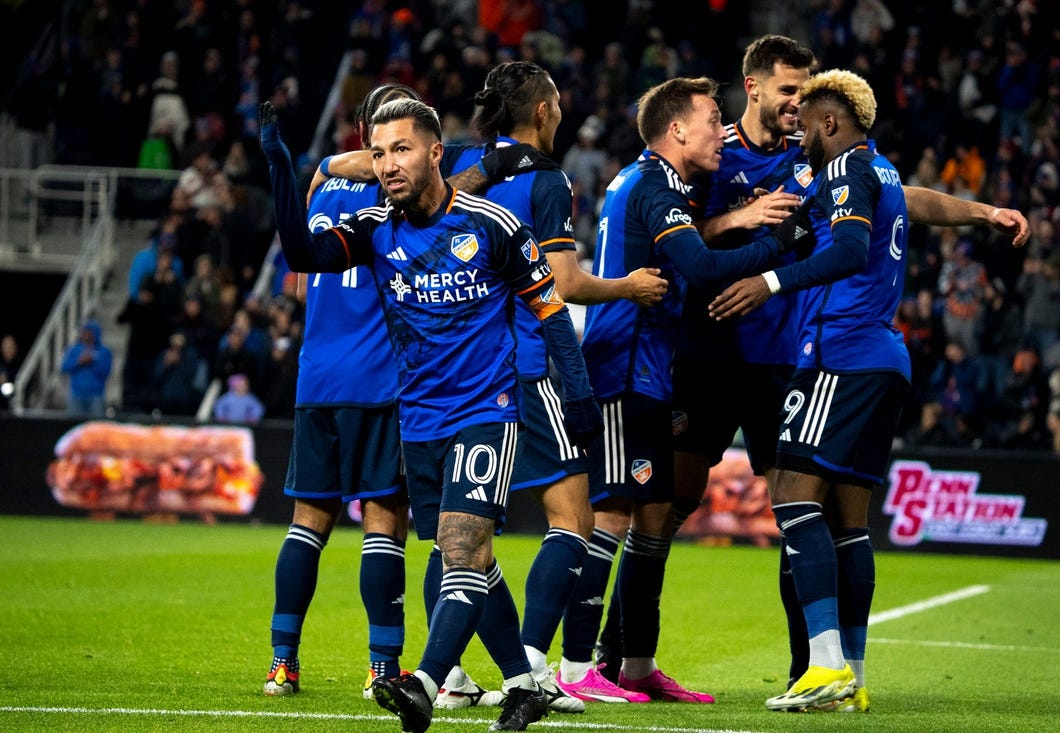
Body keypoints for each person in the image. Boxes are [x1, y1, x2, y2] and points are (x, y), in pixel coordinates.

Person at [260, 97, 603, 733]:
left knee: (459, 545)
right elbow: (304, 257)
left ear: (435, 152)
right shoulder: (373, 227)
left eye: (403, 150)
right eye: (381, 152)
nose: (389, 164)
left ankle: (422, 680)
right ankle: (527, 685)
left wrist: (578, 398)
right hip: (416, 417)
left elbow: (550, 310)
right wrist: (283, 172)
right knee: (474, 561)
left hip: (487, 410)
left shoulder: (493, 224)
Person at [707, 67, 1028, 713]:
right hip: (883, 357)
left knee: (794, 497)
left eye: (806, 121)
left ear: (831, 121)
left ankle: (823, 664)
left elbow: (851, 252)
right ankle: (851, 672)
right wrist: (984, 211)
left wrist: (770, 284)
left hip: (839, 354)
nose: (797, 130)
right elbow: (918, 200)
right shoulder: (875, 171)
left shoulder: (844, 171)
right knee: (848, 522)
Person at [434, 60, 668, 711]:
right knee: (573, 517)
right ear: (542, 111)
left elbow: (376, 171)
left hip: (454, 361)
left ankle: (449, 672)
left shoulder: (461, 164)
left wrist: (326, 169)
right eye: (557, 101)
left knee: (460, 524)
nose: (562, 111)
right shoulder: (545, 180)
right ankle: (532, 665)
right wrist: (629, 285)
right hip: (524, 361)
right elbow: (562, 283)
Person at [560, 76, 800, 706]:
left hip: (648, 369)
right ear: (676, 130)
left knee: (649, 515)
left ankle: (635, 665)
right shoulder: (657, 186)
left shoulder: (653, 184)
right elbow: (700, 268)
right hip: (623, 367)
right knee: (610, 516)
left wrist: (734, 218)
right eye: (710, 118)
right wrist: (779, 243)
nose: (722, 131)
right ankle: (573, 665)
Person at [262, 83, 419, 703]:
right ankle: (382, 668)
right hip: (379, 379)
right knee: (384, 525)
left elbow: (298, 284)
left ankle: (283, 663)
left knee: (307, 525)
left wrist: (324, 164)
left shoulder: (324, 188)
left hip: (317, 378)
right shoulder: (401, 193)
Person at [60, 319, 113, 417]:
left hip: (96, 395)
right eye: (84, 332)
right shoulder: (74, 349)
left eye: (89, 332)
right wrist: (79, 362)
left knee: (95, 426)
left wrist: (92, 362)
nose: (86, 335)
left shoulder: (104, 351)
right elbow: (64, 368)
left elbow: (105, 372)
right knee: (73, 425)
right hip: (76, 394)